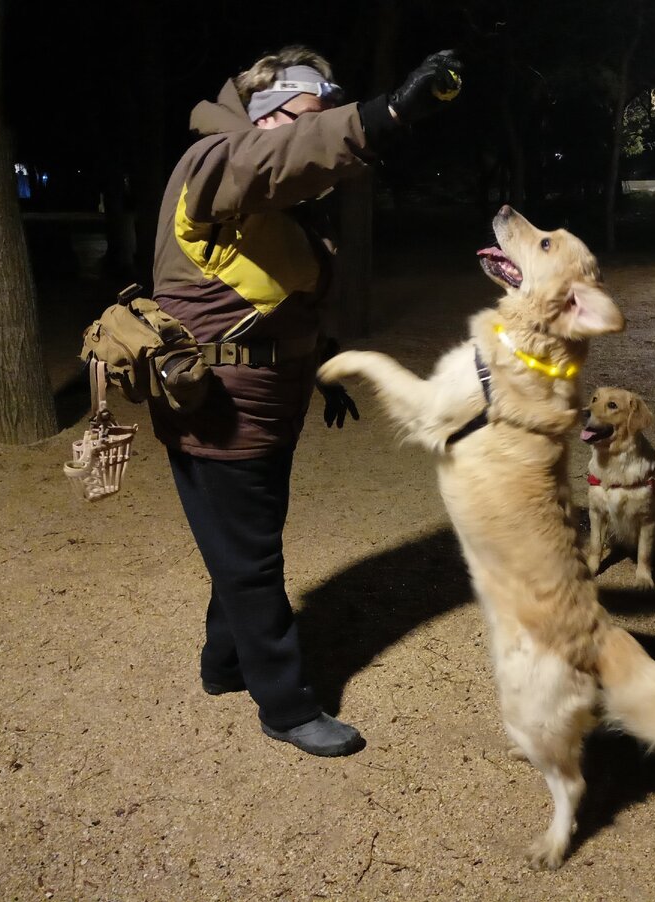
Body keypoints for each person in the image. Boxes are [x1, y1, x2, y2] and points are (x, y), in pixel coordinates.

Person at [148, 46, 463, 757]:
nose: (311, 143)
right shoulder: (217, 165)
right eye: (305, 122)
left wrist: (320, 366)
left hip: (265, 404)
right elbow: (277, 160)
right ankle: (285, 706)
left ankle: (223, 665)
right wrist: (381, 116)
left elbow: (268, 303)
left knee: (241, 548)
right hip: (218, 413)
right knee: (253, 560)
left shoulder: (273, 213)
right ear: (269, 117)